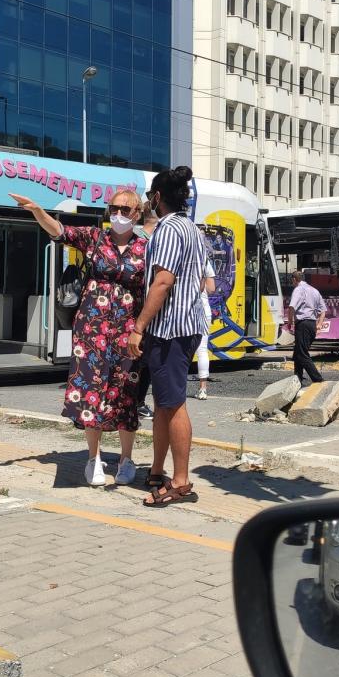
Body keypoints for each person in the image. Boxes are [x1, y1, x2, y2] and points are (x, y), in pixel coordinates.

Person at [11, 188, 148, 486]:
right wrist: (37, 211)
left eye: (126, 210)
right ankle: (93, 459)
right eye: (114, 209)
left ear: (136, 214)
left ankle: (126, 459)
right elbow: (60, 231)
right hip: (91, 330)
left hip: (128, 332)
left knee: (126, 394)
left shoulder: (146, 248)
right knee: (91, 394)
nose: (119, 215)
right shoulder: (95, 238)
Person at [127, 166, 207, 508]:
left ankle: (180, 481)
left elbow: (162, 282)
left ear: (158, 197)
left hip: (170, 330)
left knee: (173, 405)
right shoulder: (192, 229)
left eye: (149, 197)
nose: (147, 203)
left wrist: (139, 326)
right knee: (163, 403)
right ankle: (158, 470)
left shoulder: (168, 230)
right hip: (185, 325)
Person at [133, 201, 160, 420]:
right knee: (144, 361)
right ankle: (137, 402)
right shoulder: (148, 243)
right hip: (143, 311)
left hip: (130, 308)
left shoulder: (133, 237)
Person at [286, 269, 326, 386]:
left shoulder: (298, 289)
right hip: (311, 324)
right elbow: (323, 310)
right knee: (298, 351)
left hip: (303, 324)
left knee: (302, 354)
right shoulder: (314, 290)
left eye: (292, 280)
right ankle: (297, 378)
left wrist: (290, 321)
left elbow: (292, 307)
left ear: (294, 279)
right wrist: (319, 324)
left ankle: (318, 379)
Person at [194, 246, 217, 400]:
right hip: (204, 310)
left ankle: (177, 388)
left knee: (183, 350)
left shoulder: (181, 259)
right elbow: (212, 289)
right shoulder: (204, 262)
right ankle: (203, 389)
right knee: (202, 350)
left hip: (187, 310)